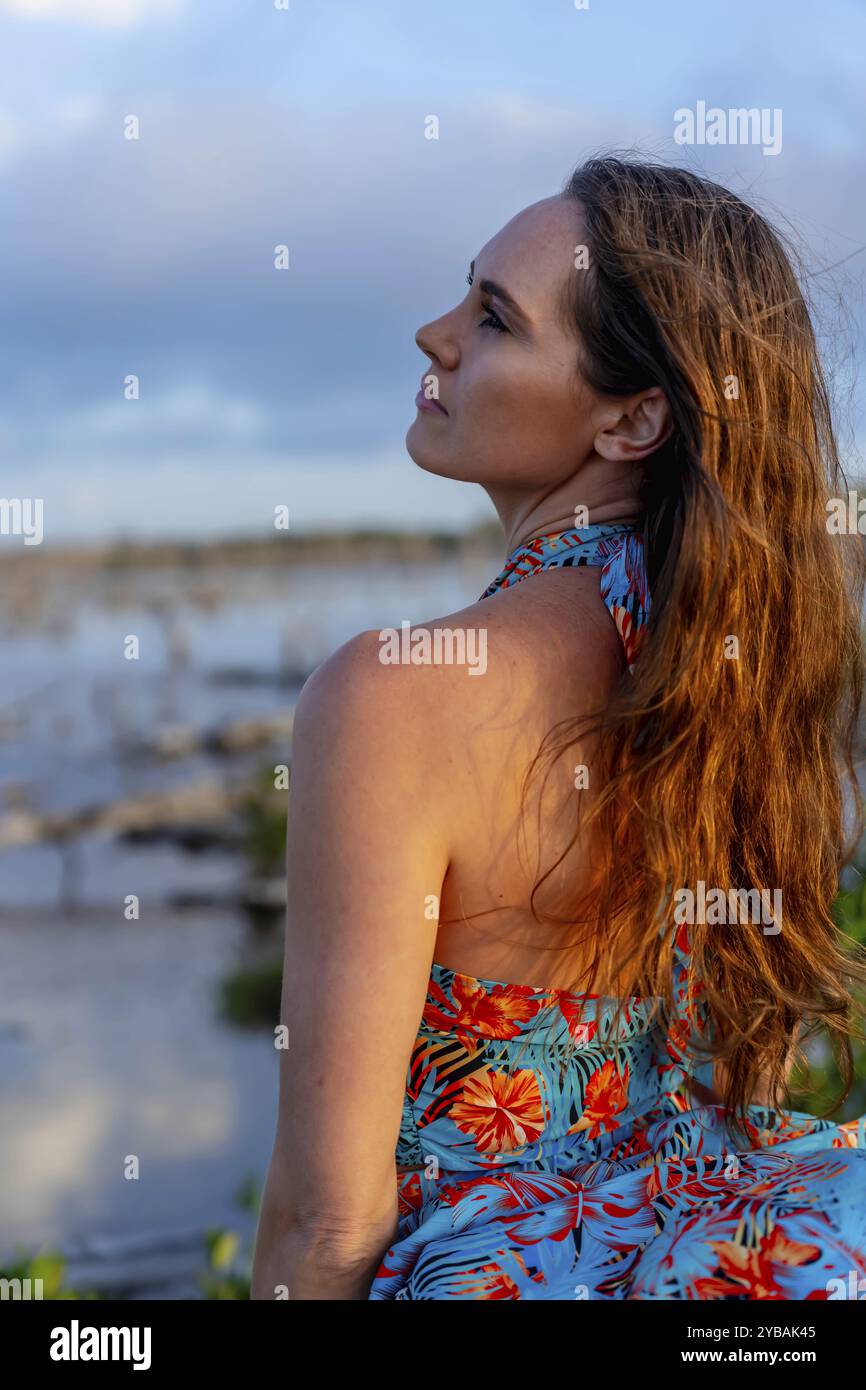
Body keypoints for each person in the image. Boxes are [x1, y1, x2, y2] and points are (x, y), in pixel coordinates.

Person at [251, 155, 866, 1301]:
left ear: (633, 416)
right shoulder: (748, 677)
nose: (432, 336)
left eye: (492, 318)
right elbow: (743, 1076)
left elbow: (324, 1221)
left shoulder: (396, 696)